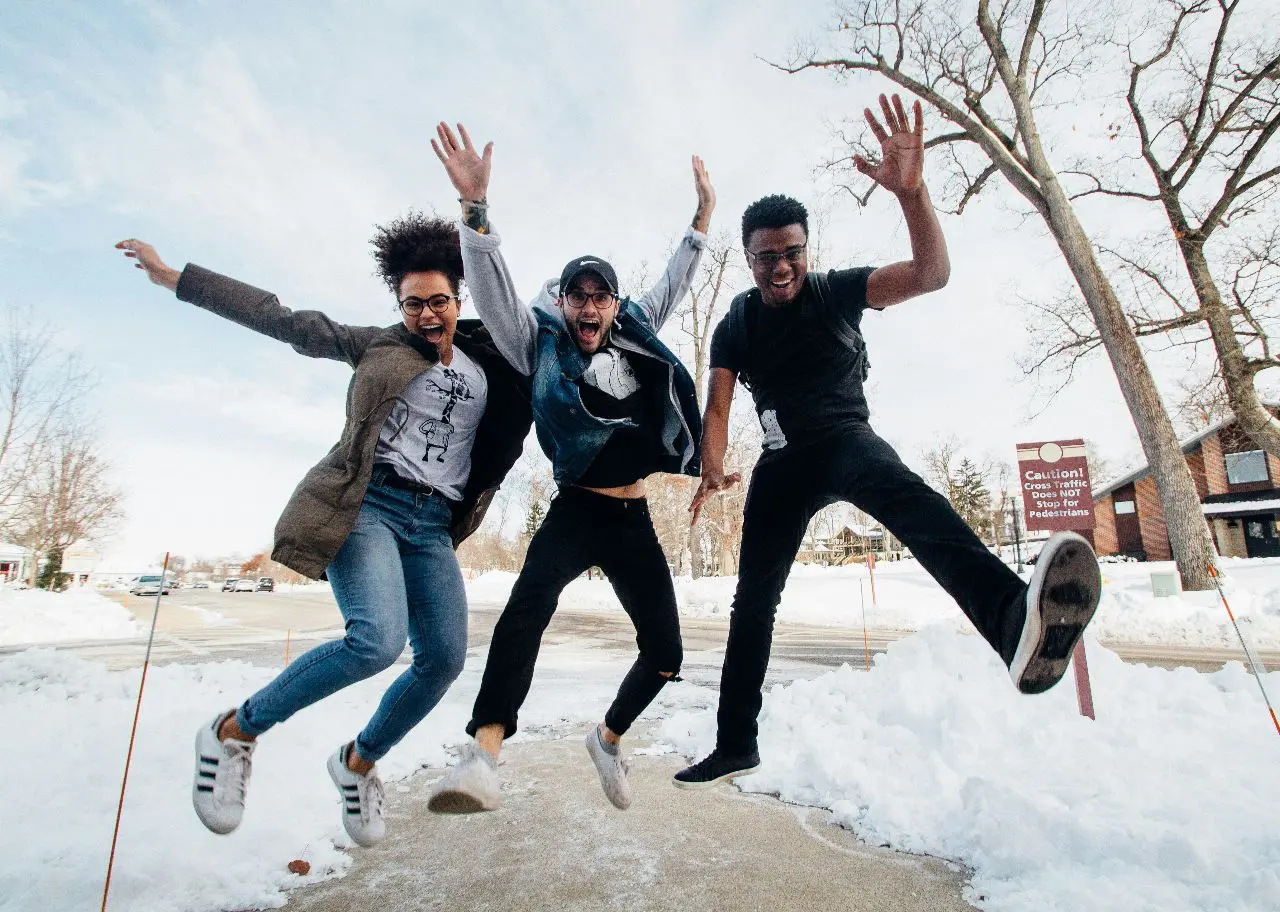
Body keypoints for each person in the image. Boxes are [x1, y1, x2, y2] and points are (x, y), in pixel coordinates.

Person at [673, 94, 1103, 789]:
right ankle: (734, 742)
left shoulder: (838, 292)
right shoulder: (737, 323)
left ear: (806, 249)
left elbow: (931, 275)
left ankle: (1011, 620)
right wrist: (712, 466)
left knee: (913, 502)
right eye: (765, 258)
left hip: (845, 439)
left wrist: (911, 194)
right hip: (782, 464)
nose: (779, 268)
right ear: (747, 258)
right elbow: (717, 404)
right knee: (752, 601)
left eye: (791, 253)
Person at [115, 215, 531, 844]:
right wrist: (177, 279)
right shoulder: (377, 345)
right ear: (399, 306)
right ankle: (234, 731)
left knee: (444, 659)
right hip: (366, 506)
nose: (426, 314)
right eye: (412, 304)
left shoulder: (489, 359)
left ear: (458, 299)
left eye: (438, 301)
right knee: (376, 641)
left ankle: (357, 763)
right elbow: (280, 319)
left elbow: (539, 343)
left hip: (432, 524)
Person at [424, 123, 712, 812]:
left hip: (632, 515)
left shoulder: (635, 329)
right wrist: (475, 212)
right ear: (563, 303)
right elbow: (494, 294)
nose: (588, 307)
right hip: (576, 508)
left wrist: (702, 217)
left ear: (612, 304)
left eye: (599, 296)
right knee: (524, 614)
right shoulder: (538, 344)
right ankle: (483, 756)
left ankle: (607, 740)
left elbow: (673, 283)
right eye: (577, 296)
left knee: (666, 653)